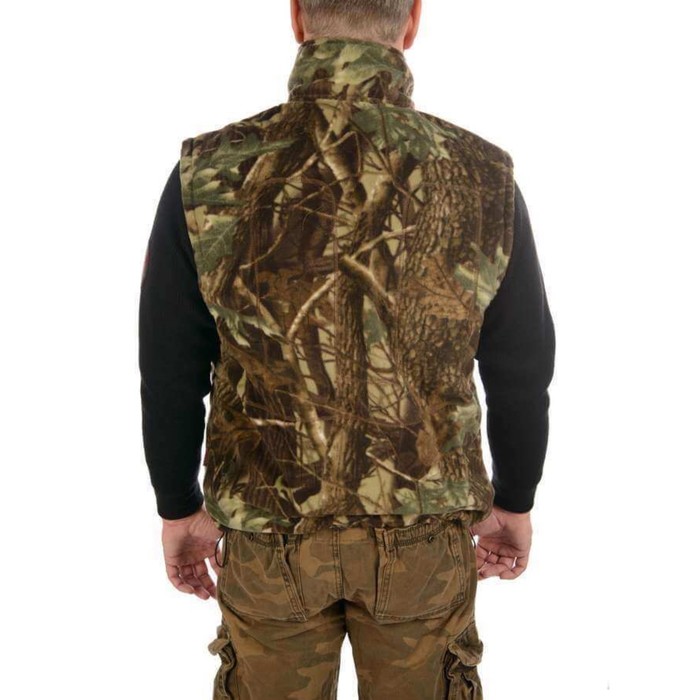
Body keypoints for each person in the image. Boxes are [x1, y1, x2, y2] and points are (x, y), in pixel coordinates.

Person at [138, 0, 556, 697]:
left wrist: (177, 505)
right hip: (421, 538)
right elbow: (521, 367)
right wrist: (514, 500)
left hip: (271, 539)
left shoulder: (210, 173)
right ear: (412, 20)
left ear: (297, 17)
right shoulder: (481, 177)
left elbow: (170, 367)